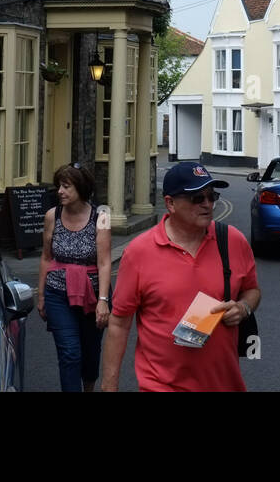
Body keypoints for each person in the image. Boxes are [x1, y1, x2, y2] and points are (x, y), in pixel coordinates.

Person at [101, 162, 260, 392]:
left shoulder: (233, 241)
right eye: (197, 198)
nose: (207, 204)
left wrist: (243, 308)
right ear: (170, 203)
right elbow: (119, 324)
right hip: (161, 385)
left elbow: (252, 290)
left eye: (211, 196)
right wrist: (109, 386)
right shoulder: (139, 252)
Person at [37, 164, 111, 392]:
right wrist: (41, 295)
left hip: (91, 295)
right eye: (59, 185)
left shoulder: (102, 217)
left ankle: (88, 387)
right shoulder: (52, 216)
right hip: (58, 293)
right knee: (69, 352)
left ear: (81, 188)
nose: (59, 191)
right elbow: (46, 257)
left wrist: (103, 300)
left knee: (90, 352)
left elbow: (104, 262)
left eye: (66, 186)